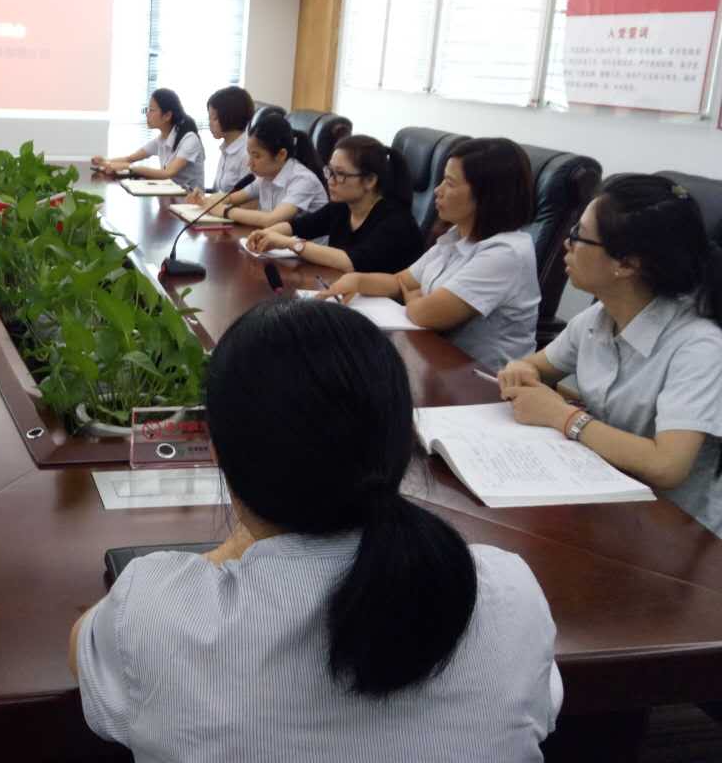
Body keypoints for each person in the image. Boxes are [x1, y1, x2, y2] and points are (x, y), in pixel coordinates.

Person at [71, 298, 560, 761]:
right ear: (401, 439)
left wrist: (233, 547)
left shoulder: (155, 610)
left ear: (217, 452)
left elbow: (84, 647)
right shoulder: (507, 593)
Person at [498, 175, 722, 537]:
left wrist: (561, 415)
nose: (567, 243)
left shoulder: (699, 347)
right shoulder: (599, 317)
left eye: (579, 235)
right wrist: (519, 371)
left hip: (669, 533)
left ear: (627, 265)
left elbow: (668, 465)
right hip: (601, 499)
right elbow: (536, 367)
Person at [318, 137, 539, 372]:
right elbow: (401, 281)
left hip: (482, 380)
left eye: (450, 183)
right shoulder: (457, 235)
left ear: (486, 195)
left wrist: (414, 298)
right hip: (436, 361)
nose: (437, 190)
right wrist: (358, 281)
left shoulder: (505, 254)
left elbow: (424, 315)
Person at [246, 134, 424, 273]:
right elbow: (299, 226)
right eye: (329, 171)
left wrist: (289, 243)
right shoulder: (342, 206)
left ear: (370, 180)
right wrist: (267, 234)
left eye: (340, 174)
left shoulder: (396, 221)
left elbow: (351, 261)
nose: (330, 181)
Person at [193, 107, 327, 228]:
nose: (249, 163)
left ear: (281, 155)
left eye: (256, 156)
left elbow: (272, 220)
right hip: (275, 243)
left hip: (304, 247)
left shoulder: (303, 180)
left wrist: (225, 211)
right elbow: (232, 198)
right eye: (249, 155)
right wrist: (206, 201)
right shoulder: (267, 175)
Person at [90, 88, 205, 190]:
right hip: (170, 194)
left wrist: (129, 167)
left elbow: (167, 173)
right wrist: (105, 162)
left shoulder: (189, 139)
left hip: (189, 200)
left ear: (167, 116)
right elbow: (130, 158)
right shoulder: (161, 139)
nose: (147, 114)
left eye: (151, 110)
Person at [185, 85, 252, 199]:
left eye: (214, 118)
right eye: (209, 118)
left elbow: (248, 201)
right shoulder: (227, 148)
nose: (210, 123)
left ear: (230, 117)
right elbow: (219, 193)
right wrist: (203, 198)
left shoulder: (247, 153)